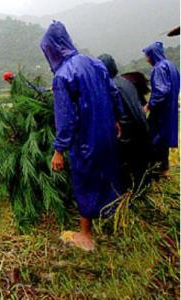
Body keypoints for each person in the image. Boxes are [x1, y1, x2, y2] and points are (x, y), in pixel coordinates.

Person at [40, 21, 122, 251]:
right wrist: (117, 120)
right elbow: (113, 92)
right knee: (108, 174)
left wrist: (58, 150)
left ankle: (86, 235)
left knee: (85, 180)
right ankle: (112, 216)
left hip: (86, 139)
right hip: (106, 131)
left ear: (53, 49)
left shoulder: (63, 76)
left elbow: (66, 119)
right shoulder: (94, 62)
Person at [98, 54, 151, 189]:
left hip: (128, 131)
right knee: (140, 162)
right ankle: (143, 187)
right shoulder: (125, 81)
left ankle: (131, 191)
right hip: (141, 127)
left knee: (128, 164)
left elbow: (120, 113)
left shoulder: (112, 86)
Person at [143, 42, 180, 178]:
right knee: (164, 140)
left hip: (161, 112)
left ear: (152, 55)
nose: (146, 59)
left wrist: (149, 105)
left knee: (154, 139)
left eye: (147, 56)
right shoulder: (171, 66)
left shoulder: (159, 68)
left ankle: (155, 172)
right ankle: (165, 170)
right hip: (170, 109)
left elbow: (161, 91)